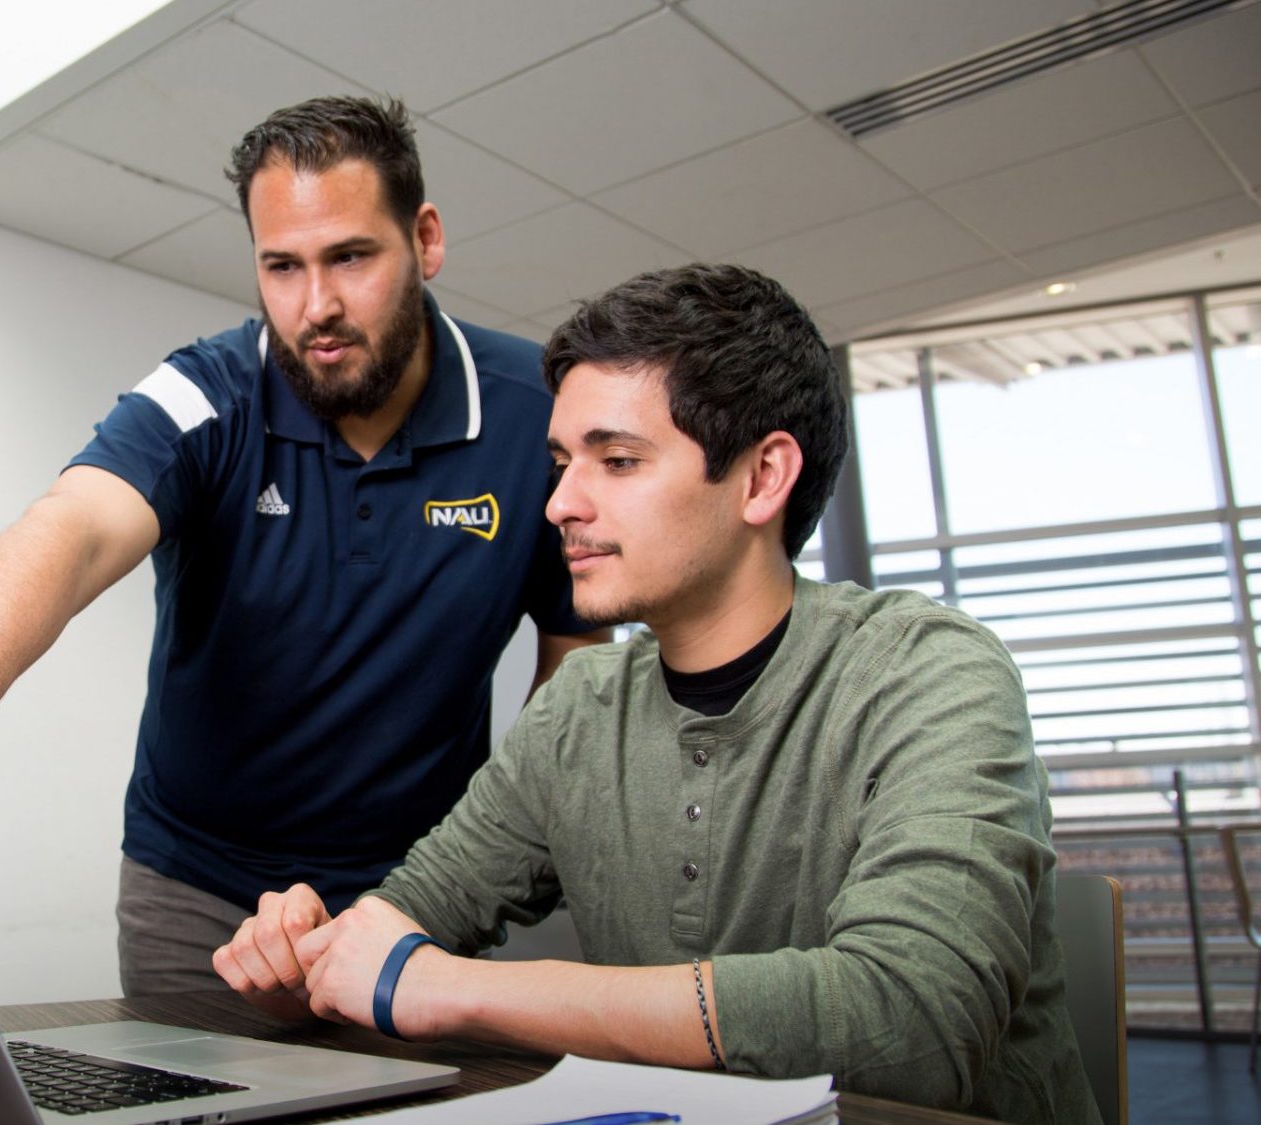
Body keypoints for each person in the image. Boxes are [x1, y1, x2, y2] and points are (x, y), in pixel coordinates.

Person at [211, 264, 1099, 1121]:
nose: (560, 504)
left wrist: (450, 988)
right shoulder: (579, 707)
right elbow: (406, 922)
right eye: (562, 462)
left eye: (618, 460)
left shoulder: (930, 672)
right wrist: (310, 964)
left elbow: (910, 1024)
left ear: (763, 477)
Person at [0, 96, 601, 995]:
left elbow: (577, 651)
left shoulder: (537, 412)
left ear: (426, 239)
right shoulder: (205, 391)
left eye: (351, 257)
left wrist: (491, 850)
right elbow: (74, 526)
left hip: (419, 900)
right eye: (282, 266)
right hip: (198, 892)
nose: (317, 306)